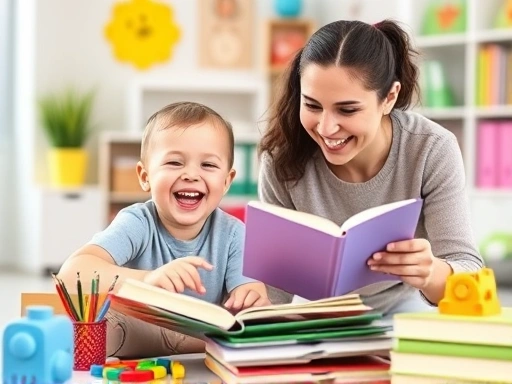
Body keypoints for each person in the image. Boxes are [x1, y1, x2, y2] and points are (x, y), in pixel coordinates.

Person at [258, 19, 484, 318]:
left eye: (347, 109)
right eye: (312, 105)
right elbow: (274, 291)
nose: (326, 127)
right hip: (315, 314)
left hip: (405, 310)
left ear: (389, 98)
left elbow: (469, 271)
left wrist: (431, 273)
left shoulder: (431, 148)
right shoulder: (281, 161)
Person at [58, 101, 271, 358]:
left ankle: (186, 341)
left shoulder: (235, 233)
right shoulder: (137, 221)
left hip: (205, 343)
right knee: (80, 329)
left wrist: (251, 295)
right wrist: (146, 280)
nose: (191, 174)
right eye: (174, 162)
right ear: (145, 176)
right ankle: (177, 341)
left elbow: (246, 297)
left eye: (208, 165)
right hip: (138, 332)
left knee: (257, 330)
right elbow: (72, 273)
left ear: (226, 181)